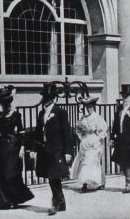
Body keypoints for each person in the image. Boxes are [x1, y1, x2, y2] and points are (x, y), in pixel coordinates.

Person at [0, 85, 34, 209]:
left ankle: (15, 198)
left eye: (6, 104)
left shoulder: (16, 115)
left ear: (9, 103)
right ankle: (4, 200)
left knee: (11, 172)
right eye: (2, 104)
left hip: (13, 146)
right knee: (0, 171)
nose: (4, 107)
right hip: (1, 146)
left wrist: (22, 147)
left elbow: (22, 131)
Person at [30, 83, 73, 216]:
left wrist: (68, 152)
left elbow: (67, 133)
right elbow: (37, 132)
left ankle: (58, 203)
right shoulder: (42, 113)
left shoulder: (61, 113)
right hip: (45, 150)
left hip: (57, 150)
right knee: (51, 177)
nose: (46, 100)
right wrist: (33, 149)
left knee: (55, 177)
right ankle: (60, 203)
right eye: (45, 97)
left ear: (54, 98)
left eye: (49, 97)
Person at [71, 97, 108, 192]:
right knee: (84, 161)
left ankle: (99, 182)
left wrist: (97, 136)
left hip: (94, 141)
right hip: (85, 140)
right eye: (87, 107)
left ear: (93, 107)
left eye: (90, 107)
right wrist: (82, 134)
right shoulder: (82, 119)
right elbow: (78, 130)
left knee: (94, 161)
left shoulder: (97, 118)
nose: (88, 109)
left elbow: (103, 129)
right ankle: (85, 183)